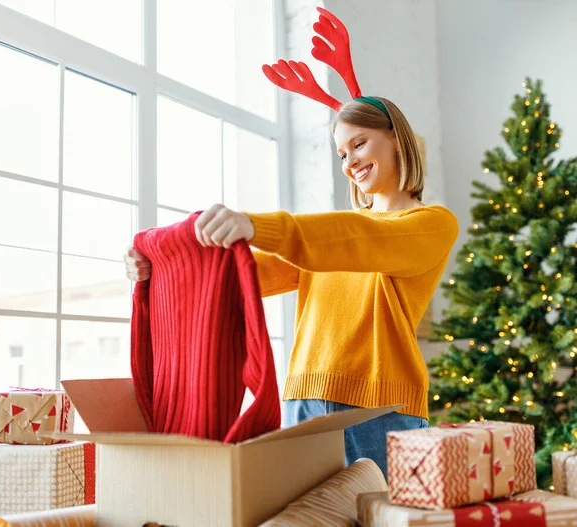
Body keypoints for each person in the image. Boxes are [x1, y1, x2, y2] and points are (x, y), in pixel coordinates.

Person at [123, 7, 459, 481]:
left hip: (379, 410)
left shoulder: (429, 223)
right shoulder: (326, 245)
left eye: (360, 144)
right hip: (302, 398)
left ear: (397, 141)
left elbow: (362, 238)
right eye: (342, 153)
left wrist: (256, 224)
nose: (349, 161)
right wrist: (163, 271)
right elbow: (247, 276)